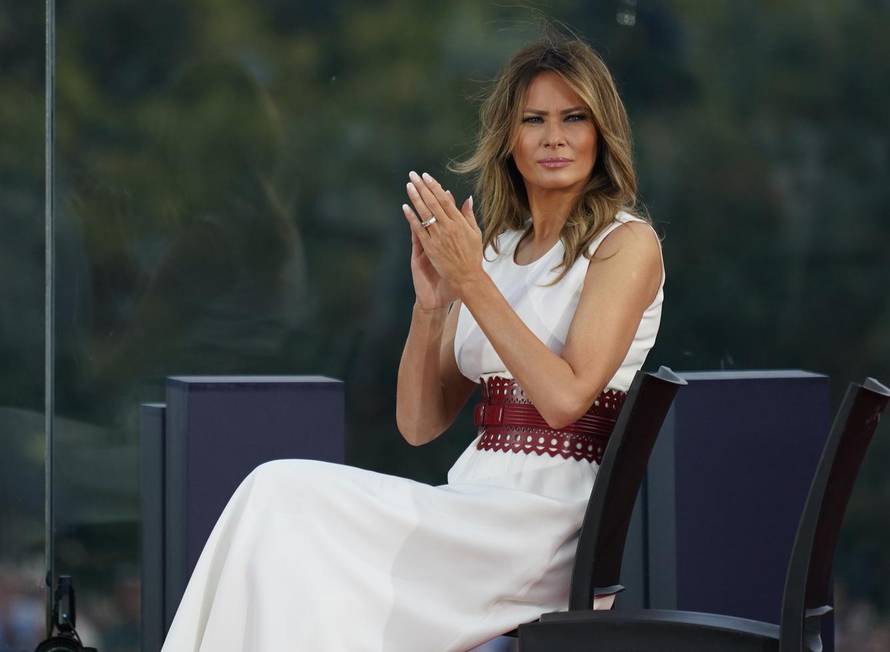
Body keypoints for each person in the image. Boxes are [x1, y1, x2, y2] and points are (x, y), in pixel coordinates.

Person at [160, 34, 664, 652]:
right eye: (534, 119)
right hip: (473, 504)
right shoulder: (498, 249)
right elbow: (420, 423)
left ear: (601, 131)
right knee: (269, 502)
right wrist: (432, 304)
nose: (554, 137)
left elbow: (566, 400)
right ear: (509, 137)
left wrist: (471, 280)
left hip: (544, 529)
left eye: (573, 118)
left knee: (280, 496)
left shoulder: (624, 245)